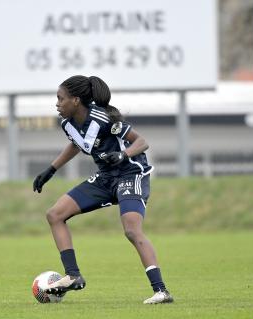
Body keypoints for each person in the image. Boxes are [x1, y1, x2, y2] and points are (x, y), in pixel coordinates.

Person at [33, 75, 173, 304]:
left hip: (131, 173)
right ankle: (73, 276)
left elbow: (141, 142)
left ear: (76, 100)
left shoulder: (104, 117)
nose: (57, 104)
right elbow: (77, 144)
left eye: (60, 99)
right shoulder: (68, 124)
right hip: (105, 178)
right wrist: (51, 169)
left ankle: (161, 291)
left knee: (131, 230)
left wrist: (122, 154)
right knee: (55, 214)